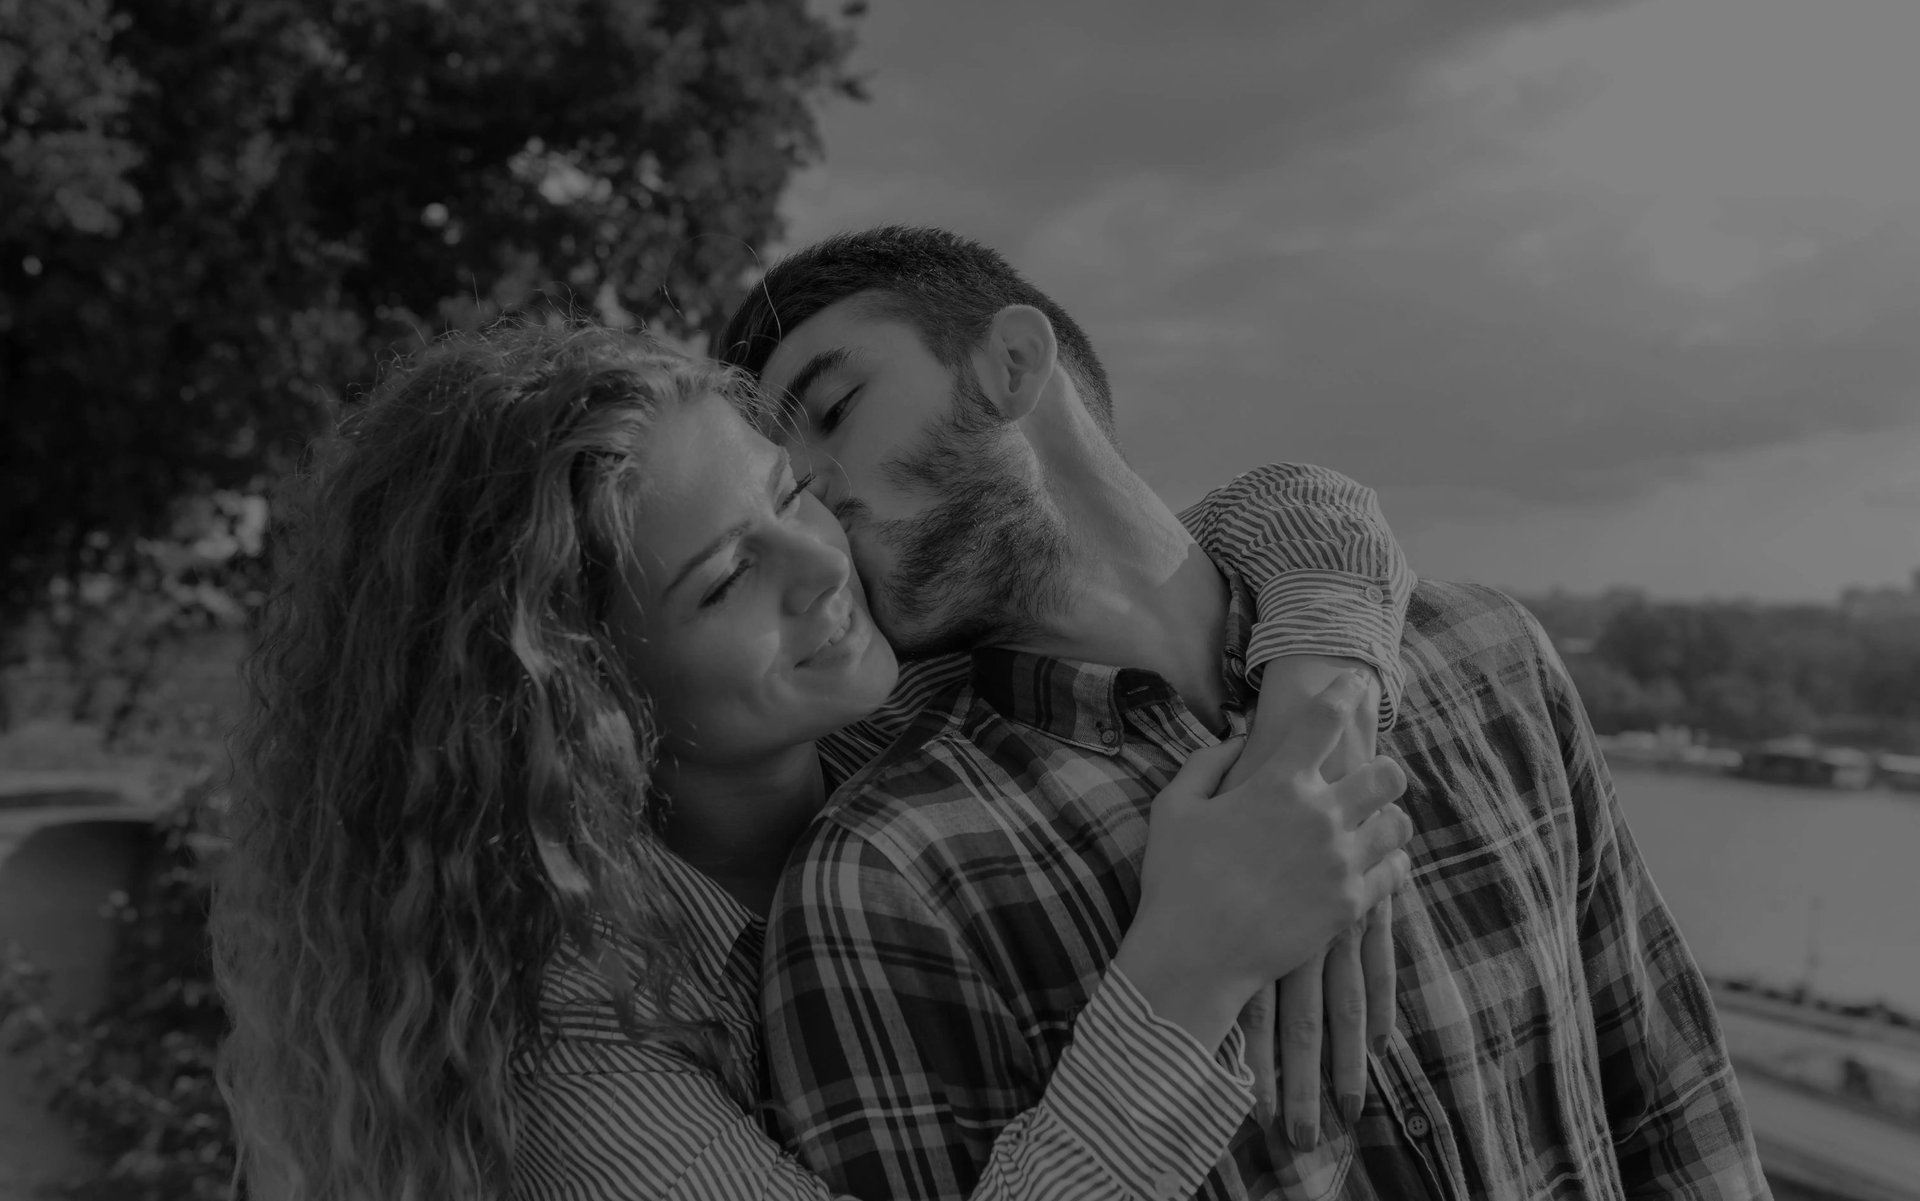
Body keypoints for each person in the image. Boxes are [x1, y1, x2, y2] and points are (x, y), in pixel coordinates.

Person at [210, 322, 1420, 1200]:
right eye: (728, 578)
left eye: (791, 495)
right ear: (578, 695)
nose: (825, 565)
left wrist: (1312, 724)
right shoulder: (568, 1046)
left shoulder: (896, 702)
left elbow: (1278, 516)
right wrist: (1189, 970)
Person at [718, 225, 1771, 1200]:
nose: (814, 493)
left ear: (1014, 363)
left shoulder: (1490, 658)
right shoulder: (883, 879)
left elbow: (1677, 1115)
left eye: (834, 410)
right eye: (783, 487)